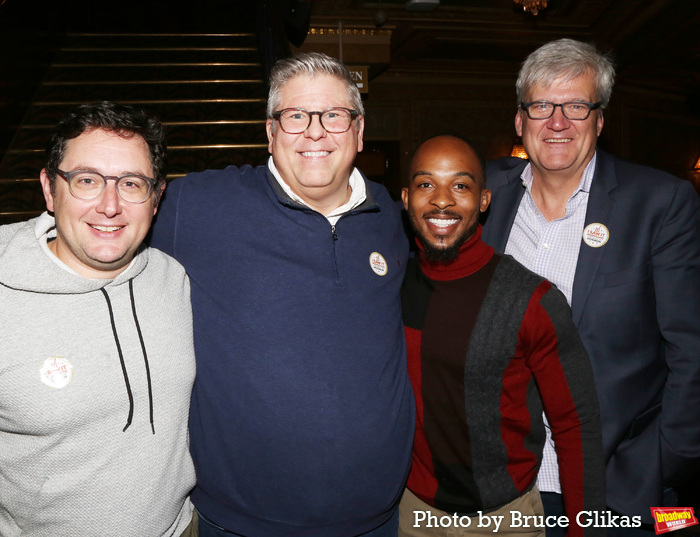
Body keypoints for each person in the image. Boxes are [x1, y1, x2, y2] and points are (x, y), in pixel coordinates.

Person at [150, 52, 415, 537]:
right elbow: (99, 222)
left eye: (333, 115)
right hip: (241, 523)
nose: (315, 132)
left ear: (358, 131)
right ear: (271, 132)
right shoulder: (200, 206)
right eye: (295, 116)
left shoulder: (393, 220)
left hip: (376, 519)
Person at [482, 38, 700, 535]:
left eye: (577, 105)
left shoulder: (660, 203)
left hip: (619, 487)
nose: (558, 122)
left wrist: (668, 460)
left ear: (599, 121)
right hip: (503, 490)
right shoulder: (480, 193)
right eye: (541, 105)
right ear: (520, 121)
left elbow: (691, 347)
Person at [0, 101, 197, 536]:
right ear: (50, 190)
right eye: (87, 180)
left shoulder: (173, 279)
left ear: (157, 197)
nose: (110, 206)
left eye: (131, 183)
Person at [398, 134, 605, 537]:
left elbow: (576, 424)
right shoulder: (390, 287)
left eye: (460, 185)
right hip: (411, 513)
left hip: (506, 519)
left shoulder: (532, 299)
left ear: (484, 200)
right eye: (426, 184)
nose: (442, 200)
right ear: (406, 198)